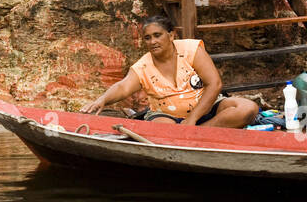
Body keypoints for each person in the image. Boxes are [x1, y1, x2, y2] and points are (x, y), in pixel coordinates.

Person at [80, 16, 260, 128]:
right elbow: (123, 86)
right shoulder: (143, 66)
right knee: (162, 130)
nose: (152, 42)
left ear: (171, 35)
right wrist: (102, 99)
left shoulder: (191, 49)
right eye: (147, 38)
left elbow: (215, 84)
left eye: (157, 35)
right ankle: (186, 135)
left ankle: (198, 133)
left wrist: (192, 121)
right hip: (167, 117)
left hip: (205, 113)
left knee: (247, 108)